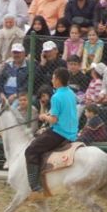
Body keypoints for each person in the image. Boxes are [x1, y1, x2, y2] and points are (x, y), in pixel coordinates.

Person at [25, 67, 77, 198]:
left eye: (53, 78)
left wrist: (43, 117)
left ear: (58, 80)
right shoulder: (71, 93)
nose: (52, 80)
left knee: (30, 150)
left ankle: (35, 187)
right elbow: (64, 112)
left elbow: (53, 120)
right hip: (72, 132)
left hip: (59, 133)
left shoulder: (56, 96)